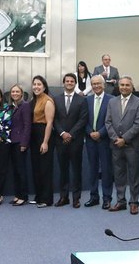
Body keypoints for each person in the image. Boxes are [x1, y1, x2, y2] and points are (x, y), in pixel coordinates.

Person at [104, 76, 139, 214]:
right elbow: (108, 122)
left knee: (134, 175)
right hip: (116, 145)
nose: (124, 87)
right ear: (118, 86)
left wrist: (124, 139)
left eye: (127, 85)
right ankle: (120, 201)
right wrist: (116, 139)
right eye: (122, 85)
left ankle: (134, 202)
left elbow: (138, 124)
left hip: (132, 145)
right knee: (119, 174)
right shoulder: (112, 101)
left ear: (132, 87)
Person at [54, 73, 89, 208]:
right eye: (67, 81)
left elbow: (83, 119)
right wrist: (62, 133)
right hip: (60, 140)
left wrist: (71, 134)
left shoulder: (82, 100)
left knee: (76, 170)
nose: (69, 83)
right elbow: (54, 119)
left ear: (75, 84)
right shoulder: (56, 100)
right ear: (63, 83)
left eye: (72, 81)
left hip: (76, 141)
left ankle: (76, 198)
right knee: (63, 170)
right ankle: (64, 197)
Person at [84, 75, 113, 209]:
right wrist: (90, 132)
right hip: (90, 140)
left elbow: (112, 120)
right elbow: (83, 119)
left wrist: (100, 133)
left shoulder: (111, 100)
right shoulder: (87, 100)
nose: (96, 86)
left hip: (105, 140)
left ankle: (107, 198)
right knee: (93, 169)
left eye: (98, 84)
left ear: (104, 85)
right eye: (93, 84)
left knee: (106, 170)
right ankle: (94, 196)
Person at [29, 76, 56, 208]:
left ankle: (47, 199)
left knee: (45, 168)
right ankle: (39, 196)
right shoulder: (34, 99)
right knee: (36, 168)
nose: (36, 87)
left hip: (43, 134)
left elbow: (50, 122)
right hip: (34, 135)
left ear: (44, 86)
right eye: (34, 84)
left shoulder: (48, 101)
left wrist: (45, 142)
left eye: (39, 84)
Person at [7, 84, 31, 207]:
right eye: (13, 92)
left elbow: (27, 125)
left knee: (21, 170)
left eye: (17, 91)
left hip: (20, 142)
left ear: (22, 93)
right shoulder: (12, 106)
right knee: (15, 170)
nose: (15, 93)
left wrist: (24, 143)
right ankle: (17, 195)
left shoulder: (25, 105)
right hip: (12, 141)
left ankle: (23, 196)